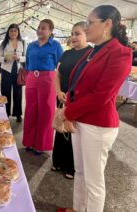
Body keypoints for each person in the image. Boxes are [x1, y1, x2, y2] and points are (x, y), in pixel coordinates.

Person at [57, 5, 132, 212]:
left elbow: (101, 95)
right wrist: (70, 111)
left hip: (98, 124)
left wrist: (66, 113)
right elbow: (77, 86)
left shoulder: (120, 53)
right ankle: (78, 208)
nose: (87, 26)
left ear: (107, 24)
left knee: (94, 182)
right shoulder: (92, 51)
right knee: (80, 172)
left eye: (90, 22)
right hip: (81, 119)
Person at [52, 22, 92, 179]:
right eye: (72, 33)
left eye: (78, 33)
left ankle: (71, 166)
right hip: (62, 97)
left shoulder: (91, 54)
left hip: (78, 99)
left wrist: (72, 94)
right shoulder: (66, 54)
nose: (74, 37)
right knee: (60, 129)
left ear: (86, 34)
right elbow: (57, 74)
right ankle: (58, 161)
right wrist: (58, 92)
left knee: (73, 132)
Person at [22, 19, 63, 154]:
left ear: (50, 31)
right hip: (32, 78)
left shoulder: (56, 46)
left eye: (44, 28)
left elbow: (60, 65)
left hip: (48, 79)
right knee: (30, 110)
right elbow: (27, 63)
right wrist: (30, 76)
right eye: (39, 27)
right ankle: (29, 141)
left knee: (46, 112)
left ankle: (41, 144)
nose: (40, 30)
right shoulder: (31, 45)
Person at [0, 24, 25, 122]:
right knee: (5, 92)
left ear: (18, 32)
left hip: (17, 71)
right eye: (11, 31)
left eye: (15, 31)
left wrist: (19, 58)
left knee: (18, 93)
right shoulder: (3, 44)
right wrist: (4, 58)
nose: (13, 33)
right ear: (8, 32)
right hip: (6, 70)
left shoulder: (22, 43)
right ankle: (6, 113)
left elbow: (25, 57)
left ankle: (18, 114)